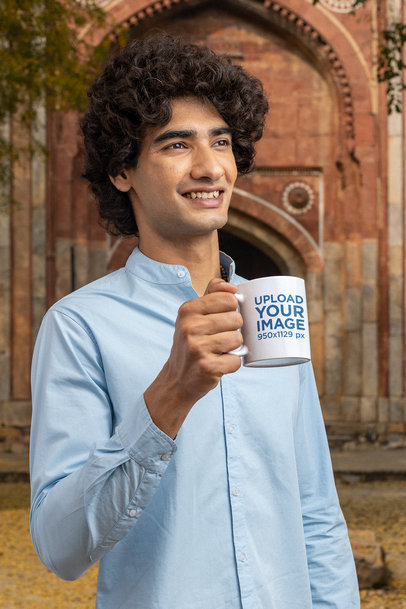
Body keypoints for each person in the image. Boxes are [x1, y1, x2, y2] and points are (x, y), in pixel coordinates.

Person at [30, 35, 360, 609]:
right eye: (176, 144)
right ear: (122, 171)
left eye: (222, 142)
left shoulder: (269, 313)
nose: (210, 168)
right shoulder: (79, 327)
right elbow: (60, 547)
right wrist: (169, 396)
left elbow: (316, 516)